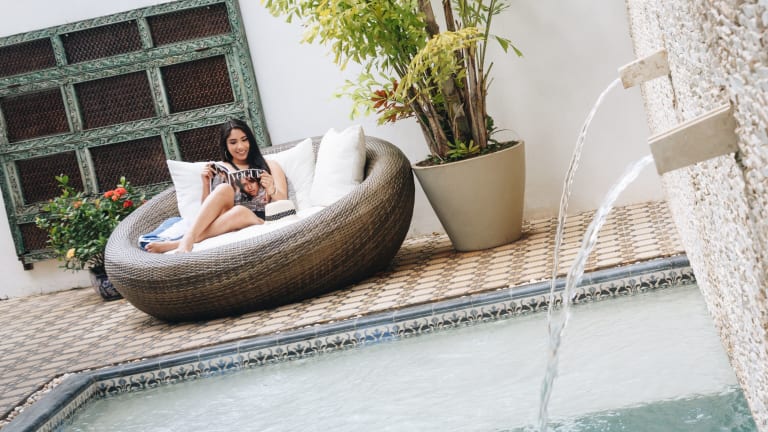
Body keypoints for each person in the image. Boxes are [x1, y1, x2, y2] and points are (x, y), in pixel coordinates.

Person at [146, 119, 287, 253]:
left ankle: (181, 241)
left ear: (251, 140)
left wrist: (271, 189)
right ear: (225, 145)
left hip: (257, 218)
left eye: (244, 140)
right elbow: (206, 213)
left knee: (240, 211)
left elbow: (284, 202)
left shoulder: (270, 165)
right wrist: (206, 183)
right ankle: (189, 236)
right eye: (233, 142)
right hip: (226, 217)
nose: (240, 146)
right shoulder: (220, 169)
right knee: (224, 189)